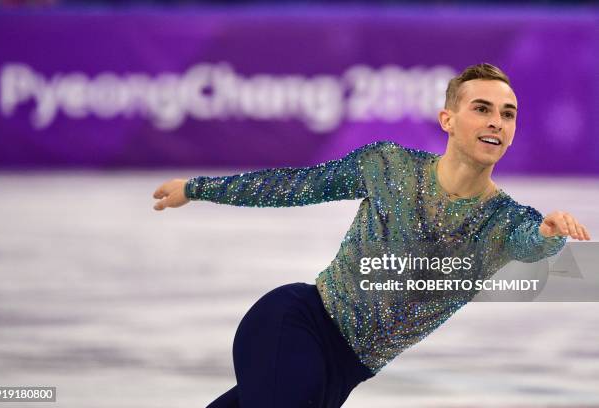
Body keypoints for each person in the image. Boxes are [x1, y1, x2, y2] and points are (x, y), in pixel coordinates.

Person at [152, 63, 591, 408]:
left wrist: (548, 234)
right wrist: (197, 188)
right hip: (296, 323)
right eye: (482, 108)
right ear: (448, 119)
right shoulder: (387, 165)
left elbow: (529, 243)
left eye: (507, 114)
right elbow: (296, 185)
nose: (496, 121)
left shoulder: (504, 219)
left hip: (343, 374)